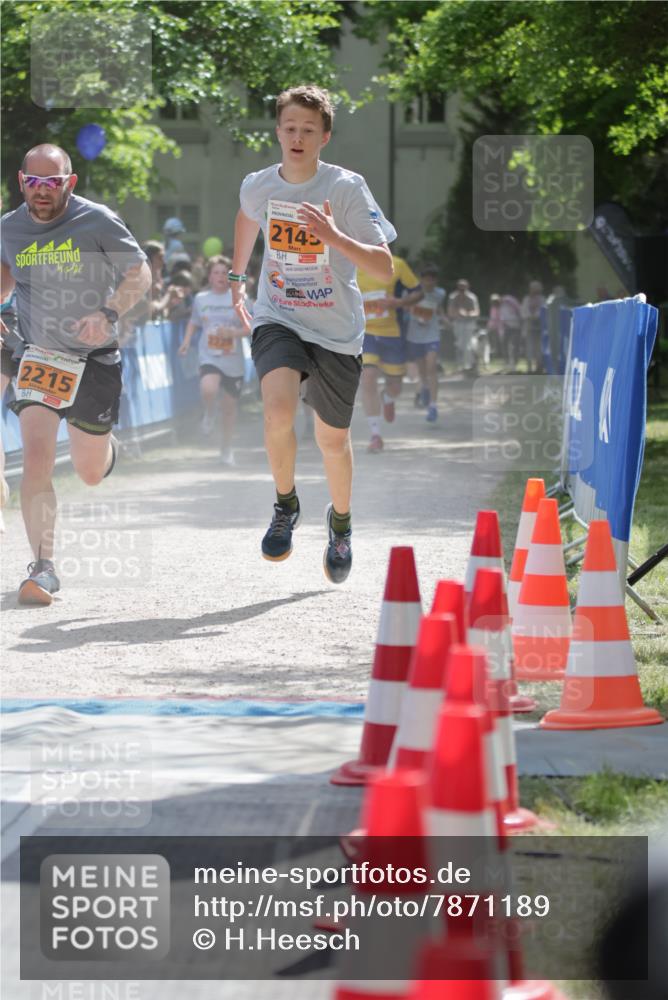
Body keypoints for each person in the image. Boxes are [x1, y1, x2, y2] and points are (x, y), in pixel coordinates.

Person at [229, 84, 395, 583]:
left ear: (324, 136)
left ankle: (340, 524)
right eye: (289, 128)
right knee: (278, 407)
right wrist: (239, 281)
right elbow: (245, 217)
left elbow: (384, 268)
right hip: (278, 314)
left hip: (337, 330)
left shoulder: (344, 188)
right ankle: (285, 505)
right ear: (278, 132)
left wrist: (334, 237)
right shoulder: (259, 185)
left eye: (308, 130)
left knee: (331, 439)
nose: (297, 137)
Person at [0, 143, 151, 605]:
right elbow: (5, 274)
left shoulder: (97, 220)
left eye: (53, 182)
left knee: (87, 472)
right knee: (37, 455)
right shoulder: (9, 227)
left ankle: (105, 450)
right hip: (40, 356)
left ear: (70, 183)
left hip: (94, 358)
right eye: (34, 182)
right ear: (22, 181)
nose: (42, 191)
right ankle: (43, 566)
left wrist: (107, 313)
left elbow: (139, 273)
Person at [179, 255, 249, 465]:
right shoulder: (201, 299)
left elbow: (250, 327)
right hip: (209, 355)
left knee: (229, 408)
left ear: (230, 277)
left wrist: (232, 334)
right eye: (215, 272)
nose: (220, 276)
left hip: (233, 360)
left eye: (224, 273)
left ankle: (226, 449)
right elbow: (194, 322)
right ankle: (209, 414)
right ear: (209, 276)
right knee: (208, 388)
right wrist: (186, 341)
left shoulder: (238, 298)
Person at [358, 255, 422, 452]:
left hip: (393, 333)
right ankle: (375, 435)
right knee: (367, 378)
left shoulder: (397, 264)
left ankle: (388, 398)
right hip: (365, 332)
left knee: (395, 386)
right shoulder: (352, 262)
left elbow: (418, 293)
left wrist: (399, 302)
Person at [405, 264, 446, 423]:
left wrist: (444, 319)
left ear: (436, 281)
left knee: (431, 368)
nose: (429, 282)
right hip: (415, 337)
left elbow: (438, 308)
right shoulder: (412, 293)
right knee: (422, 372)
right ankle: (425, 389)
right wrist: (416, 313)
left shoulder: (440, 293)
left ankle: (433, 406)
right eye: (426, 279)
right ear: (421, 280)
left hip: (432, 336)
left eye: (432, 279)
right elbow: (406, 307)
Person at [447, 278, 479, 372]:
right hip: (458, 323)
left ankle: (468, 365)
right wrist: (458, 313)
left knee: (468, 345)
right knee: (459, 345)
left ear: (467, 287)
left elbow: (476, 312)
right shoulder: (453, 297)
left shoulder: (472, 297)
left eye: (464, 287)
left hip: (469, 323)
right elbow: (450, 312)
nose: (462, 289)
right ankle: (459, 366)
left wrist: (466, 313)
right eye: (460, 287)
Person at [521, 279, 546, 373]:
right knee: (529, 348)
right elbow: (523, 312)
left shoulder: (542, 299)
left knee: (539, 348)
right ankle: (529, 368)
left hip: (539, 328)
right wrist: (530, 316)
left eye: (535, 288)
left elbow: (543, 311)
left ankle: (539, 367)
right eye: (532, 288)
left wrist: (536, 316)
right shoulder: (526, 299)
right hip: (529, 327)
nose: (534, 290)